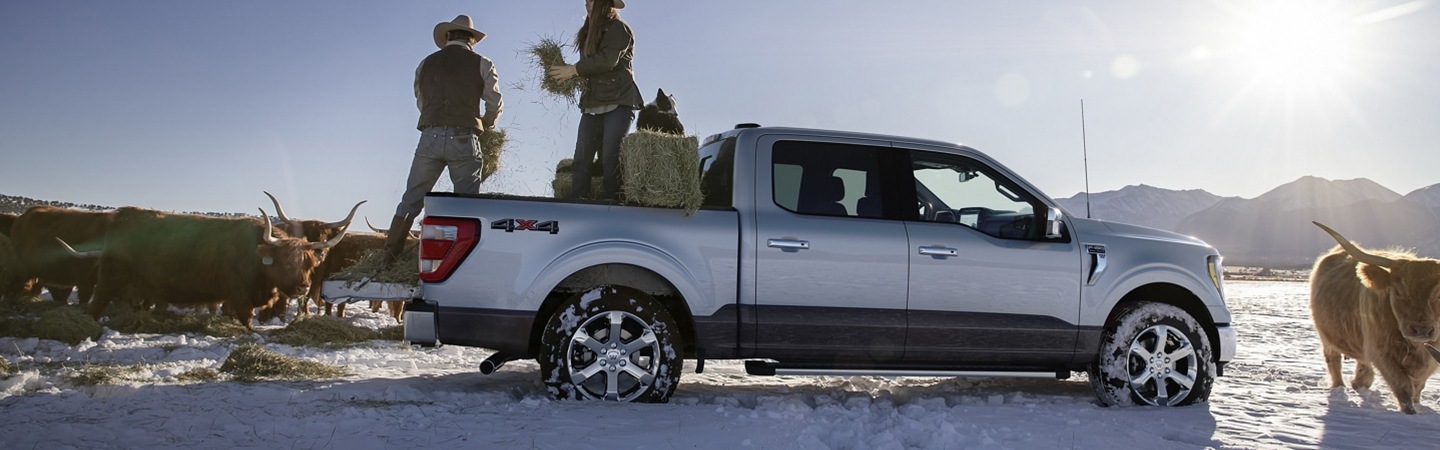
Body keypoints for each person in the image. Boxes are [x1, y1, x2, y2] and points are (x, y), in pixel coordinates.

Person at [383, 14, 503, 265]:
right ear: (472, 40)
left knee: (411, 199)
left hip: (430, 137)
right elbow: (494, 101)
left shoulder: (425, 64)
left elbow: (421, 101)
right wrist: (488, 124)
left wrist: (436, 122)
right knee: (465, 204)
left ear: (447, 37)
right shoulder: (483, 63)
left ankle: (388, 257)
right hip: (464, 138)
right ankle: (460, 261)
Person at [547, 0, 643, 201]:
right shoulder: (588, 33)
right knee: (581, 158)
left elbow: (607, 61)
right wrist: (566, 73)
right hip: (592, 104)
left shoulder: (620, 29)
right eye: (586, 1)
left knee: (610, 157)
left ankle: (612, 203)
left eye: (592, 1)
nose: (587, 4)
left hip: (618, 102)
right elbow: (588, 66)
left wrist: (573, 70)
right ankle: (578, 201)